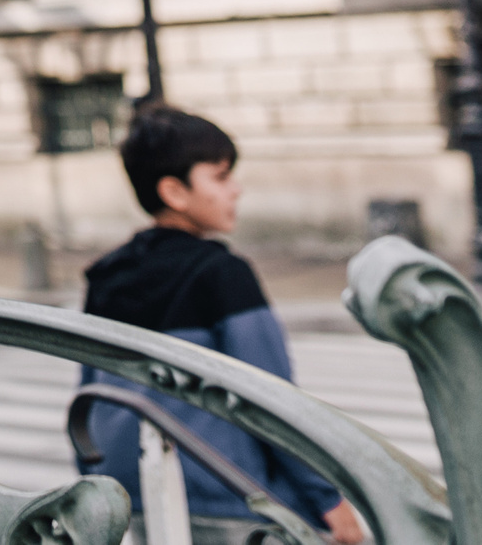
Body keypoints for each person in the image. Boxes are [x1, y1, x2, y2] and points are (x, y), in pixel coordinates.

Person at [70, 105, 365, 545]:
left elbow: (90, 394)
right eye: (221, 177)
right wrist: (329, 502)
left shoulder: (107, 276)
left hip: (132, 495)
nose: (237, 191)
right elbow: (272, 402)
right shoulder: (223, 275)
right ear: (175, 191)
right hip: (227, 497)